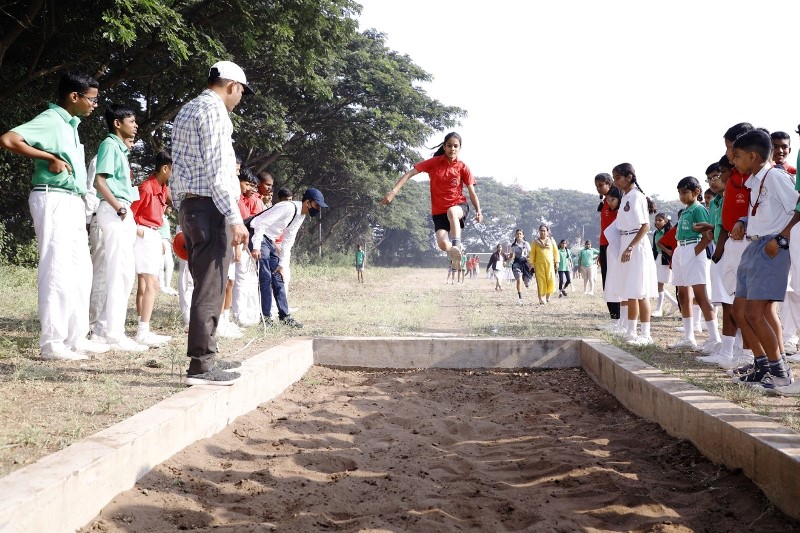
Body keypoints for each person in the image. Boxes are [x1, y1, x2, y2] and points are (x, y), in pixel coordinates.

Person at [0, 71, 107, 360]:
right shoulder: (51, 120)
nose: (95, 105)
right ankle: (53, 343)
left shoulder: (71, 125)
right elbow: (9, 139)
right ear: (75, 96)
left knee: (80, 270)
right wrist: (48, 158)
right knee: (57, 269)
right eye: (92, 99)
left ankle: (76, 338)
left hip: (70, 201)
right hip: (52, 197)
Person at [171, 60, 254, 386]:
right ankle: (201, 367)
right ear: (232, 85)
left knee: (204, 282)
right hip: (211, 209)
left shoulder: (187, 110)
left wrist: (182, 210)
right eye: (242, 93)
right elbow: (220, 173)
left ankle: (206, 356)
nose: (240, 99)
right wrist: (234, 217)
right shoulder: (216, 112)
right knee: (211, 285)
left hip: (192, 206)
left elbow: (180, 169)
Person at [729, 129, 800, 391]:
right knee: (740, 311)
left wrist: (781, 239)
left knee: (755, 313)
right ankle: (762, 366)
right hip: (755, 244)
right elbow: (764, 211)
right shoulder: (755, 180)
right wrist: (744, 221)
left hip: (771, 247)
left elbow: (797, 207)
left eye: (737, 157)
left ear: (752, 155)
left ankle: (780, 373)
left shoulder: (775, 177)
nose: (734, 162)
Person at [381, 132, 483, 270]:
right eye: (449, 145)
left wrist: (478, 211)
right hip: (439, 211)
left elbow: (472, 192)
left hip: (458, 205)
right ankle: (455, 253)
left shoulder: (462, 167)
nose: (452, 149)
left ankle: (457, 245)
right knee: (441, 244)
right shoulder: (434, 163)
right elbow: (409, 174)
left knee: (452, 212)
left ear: (459, 148)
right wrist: (393, 192)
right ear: (444, 146)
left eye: (455, 146)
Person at [93, 103, 149, 352]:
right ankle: (113, 334)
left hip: (121, 212)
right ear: (117, 123)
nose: (135, 125)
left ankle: (103, 330)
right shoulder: (109, 145)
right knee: (119, 273)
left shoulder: (120, 150)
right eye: (131, 120)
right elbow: (99, 181)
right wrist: (120, 208)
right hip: (115, 211)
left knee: (122, 273)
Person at [249, 188, 328, 327]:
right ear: (308, 202)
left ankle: (285, 316)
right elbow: (260, 224)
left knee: (278, 277)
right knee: (266, 277)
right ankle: (266, 318)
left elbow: (288, 240)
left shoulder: (300, 216)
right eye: (317, 205)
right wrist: (256, 246)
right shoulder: (287, 207)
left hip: (270, 240)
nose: (318, 209)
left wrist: (282, 264)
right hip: (258, 236)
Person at [668, 176, 720, 351]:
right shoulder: (685, 211)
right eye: (680, 193)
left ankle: (715, 338)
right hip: (680, 249)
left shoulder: (699, 209)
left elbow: (708, 234)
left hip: (693, 248)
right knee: (683, 295)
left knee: (701, 296)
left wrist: (696, 251)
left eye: (685, 192)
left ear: (696, 192)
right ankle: (689, 336)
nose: (682, 196)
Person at [130, 149, 174, 347]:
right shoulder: (146, 188)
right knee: (152, 285)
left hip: (153, 233)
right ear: (165, 168)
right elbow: (130, 216)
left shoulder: (162, 188)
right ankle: (143, 331)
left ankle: (143, 329)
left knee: (145, 285)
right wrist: (144, 233)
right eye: (174, 169)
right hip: (145, 234)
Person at [611, 163, 657, 345]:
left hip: (635, 245)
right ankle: (631, 331)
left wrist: (630, 247)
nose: (615, 182)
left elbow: (645, 225)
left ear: (629, 177)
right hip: (625, 241)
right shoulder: (625, 197)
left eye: (617, 178)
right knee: (630, 289)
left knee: (640, 290)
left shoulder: (637, 197)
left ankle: (645, 334)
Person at [230, 167, 262, 328]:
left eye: (252, 186)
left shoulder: (244, 199)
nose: (250, 188)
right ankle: (238, 315)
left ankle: (248, 313)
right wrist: (237, 247)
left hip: (245, 245)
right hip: (237, 245)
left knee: (247, 280)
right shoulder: (235, 200)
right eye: (247, 184)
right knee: (238, 280)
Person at [594, 173, 621, 329]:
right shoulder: (605, 202)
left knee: (614, 281)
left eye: (601, 185)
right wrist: (600, 250)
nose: (598, 188)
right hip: (604, 245)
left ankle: (619, 319)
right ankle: (614, 318)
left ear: (610, 183)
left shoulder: (616, 201)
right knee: (607, 282)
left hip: (614, 245)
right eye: (596, 186)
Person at [650, 213, 678, 317]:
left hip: (665, 259)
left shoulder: (670, 232)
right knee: (657, 285)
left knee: (660, 285)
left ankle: (659, 309)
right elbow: (654, 247)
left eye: (660, 220)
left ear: (666, 221)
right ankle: (674, 303)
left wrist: (667, 252)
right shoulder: (656, 233)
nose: (657, 222)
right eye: (656, 220)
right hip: (657, 258)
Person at [529, 225, 557, 305]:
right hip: (539, 265)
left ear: (547, 232)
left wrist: (557, 262)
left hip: (550, 265)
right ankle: (541, 298)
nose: (542, 232)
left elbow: (555, 252)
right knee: (541, 281)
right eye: (541, 230)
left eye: (544, 230)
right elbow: (532, 253)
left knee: (550, 280)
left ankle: (547, 296)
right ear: (539, 231)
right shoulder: (535, 242)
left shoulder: (551, 241)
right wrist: (531, 263)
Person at [509, 229, 531, 303]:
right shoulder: (513, 246)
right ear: (515, 235)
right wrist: (507, 261)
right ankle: (520, 297)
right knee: (519, 279)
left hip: (525, 263)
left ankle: (527, 281)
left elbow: (530, 254)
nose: (519, 235)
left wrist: (529, 259)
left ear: (523, 235)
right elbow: (511, 256)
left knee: (527, 283)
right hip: (516, 263)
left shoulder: (526, 244)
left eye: (520, 234)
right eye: (517, 234)